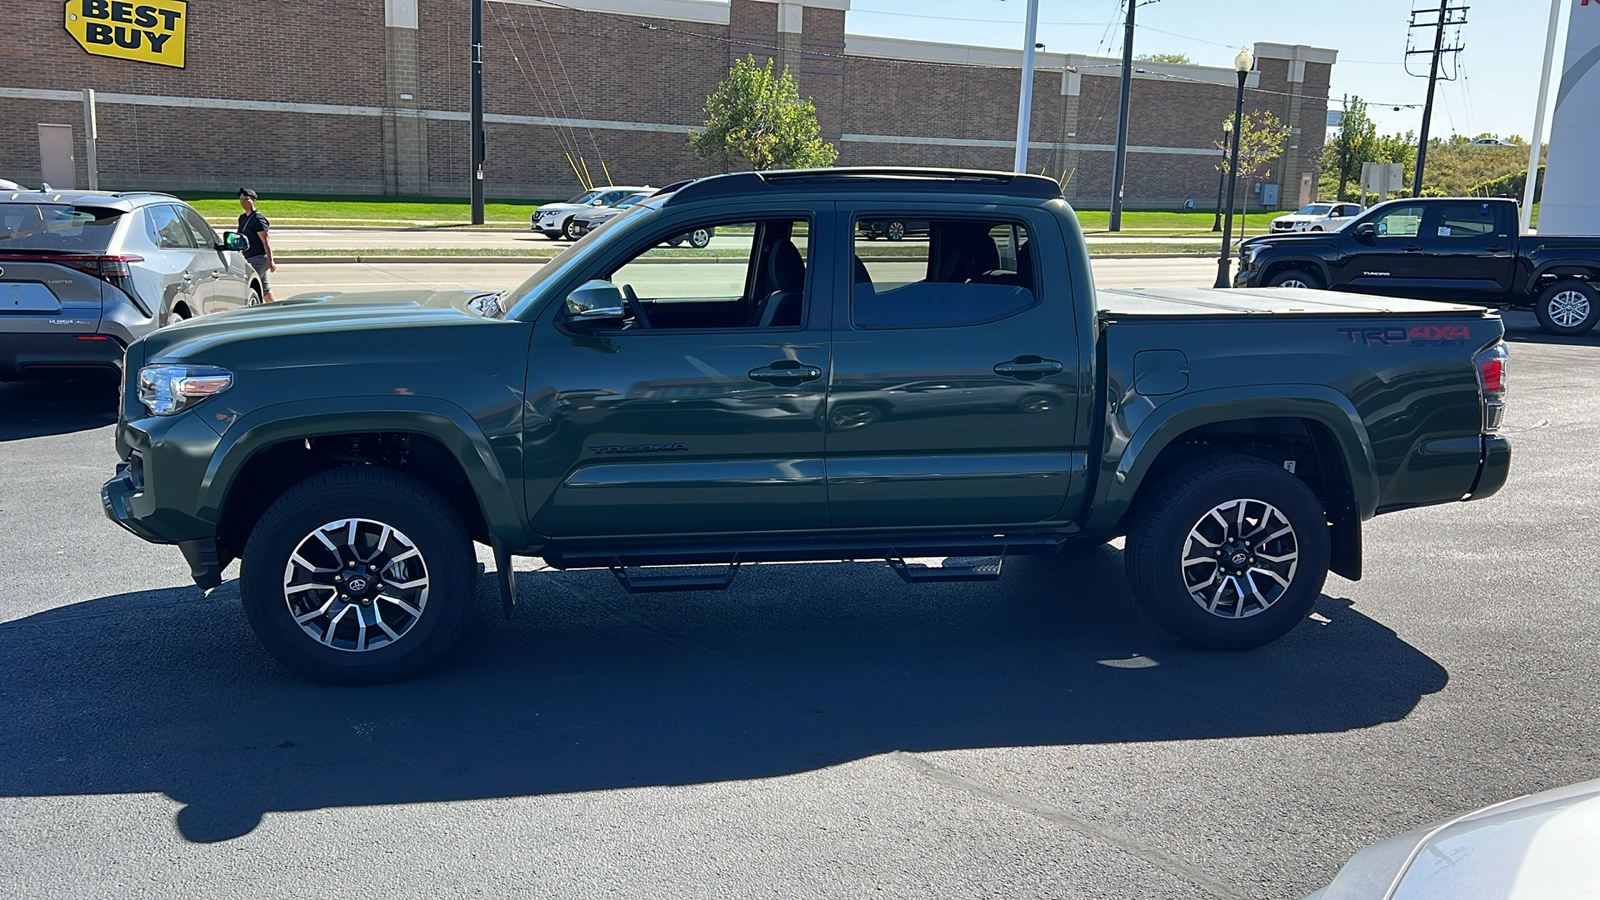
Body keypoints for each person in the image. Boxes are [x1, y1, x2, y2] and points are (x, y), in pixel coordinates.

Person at [237, 188, 276, 302]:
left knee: (249, 284)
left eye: (246, 199)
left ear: (253, 200)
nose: (243, 202)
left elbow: (266, 241)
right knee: (264, 289)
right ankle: (275, 309)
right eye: (241, 199)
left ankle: (254, 308)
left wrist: (270, 261)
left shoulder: (258, 219)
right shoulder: (243, 218)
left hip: (259, 258)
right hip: (249, 257)